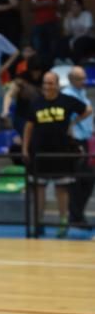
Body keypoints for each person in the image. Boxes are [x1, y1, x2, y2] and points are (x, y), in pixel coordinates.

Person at [22, 71, 92, 237]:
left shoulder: (66, 101)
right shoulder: (36, 103)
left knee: (62, 189)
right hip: (39, 153)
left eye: (51, 83)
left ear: (57, 84)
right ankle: (38, 222)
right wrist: (25, 148)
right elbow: (28, 127)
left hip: (61, 152)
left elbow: (87, 110)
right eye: (45, 83)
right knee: (39, 188)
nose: (47, 86)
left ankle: (63, 222)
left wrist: (73, 123)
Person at [62, 66, 94, 229]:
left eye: (84, 78)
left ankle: (78, 215)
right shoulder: (67, 95)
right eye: (80, 79)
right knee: (78, 180)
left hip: (87, 140)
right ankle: (75, 217)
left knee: (88, 180)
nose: (84, 81)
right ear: (71, 79)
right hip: (75, 142)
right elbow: (68, 119)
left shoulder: (82, 94)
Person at [30, 0, 65, 71]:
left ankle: (52, 70)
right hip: (38, 23)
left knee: (53, 49)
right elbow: (31, 6)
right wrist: (43, 4)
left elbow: (63, 6)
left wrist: (52, 3)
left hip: (53, 22)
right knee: (38, 48)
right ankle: (40, 70)